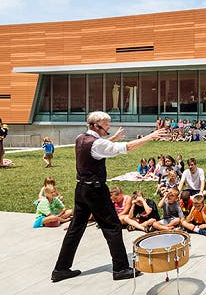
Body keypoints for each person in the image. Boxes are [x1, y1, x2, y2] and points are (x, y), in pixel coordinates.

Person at [51, 111, 167, 283]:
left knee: (75, 229)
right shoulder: (96, 143)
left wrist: (113, 138)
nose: (109, 127)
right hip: (95, 191)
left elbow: (99, 148)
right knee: (112, 226)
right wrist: (151, 136)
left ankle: (61, 269)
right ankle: (120, 269)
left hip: (81, 189)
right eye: (106, 125)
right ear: (96, 126)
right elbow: (125, 148)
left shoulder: (80, 139)